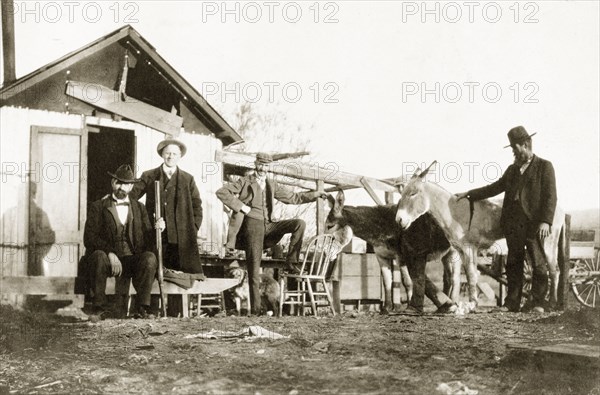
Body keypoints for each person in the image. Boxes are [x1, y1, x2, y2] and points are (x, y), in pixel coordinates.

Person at [456, 126, 557, 313]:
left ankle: (538, 303)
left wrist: (545, 221)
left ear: (525, 145)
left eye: (515, 148)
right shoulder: (512, 170)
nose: (513, 152)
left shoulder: (545, 167)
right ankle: (511, 303)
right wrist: (470, 194)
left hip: (534, 224)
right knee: (513, 264)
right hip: (513, 225)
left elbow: (551, 197)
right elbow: (494, 188)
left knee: (538, 263)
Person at [216, 152, 326, 315]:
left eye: (266, 165)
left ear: (269, 167)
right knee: (254, 268)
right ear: (255, 164)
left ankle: (291, 261)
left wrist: (315, 195)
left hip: (269, 225)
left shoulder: (271, 184)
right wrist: (241, 206)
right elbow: (222, 192)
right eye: (260, 164)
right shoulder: (245, 181)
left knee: (299, 224)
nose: (263, 168)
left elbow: (294, 197)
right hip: (252, 224)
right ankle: (255, 310)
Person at [83, 164, 158, 319]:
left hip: (131, 260)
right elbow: (89, 237)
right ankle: (98, 308)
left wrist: (158, 228)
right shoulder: (98, 206)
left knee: (149, 258)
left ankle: (142, 308)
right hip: (107, 261)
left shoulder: (140, 208)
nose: (121, 187)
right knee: (98, 256)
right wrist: (110, 252)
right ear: (112, 183)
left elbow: (148, 237)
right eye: (118, 182)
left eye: (126, 184)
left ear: (131, 187)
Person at [131, 139, 204, 275]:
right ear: (162, 154)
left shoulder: (188, 179)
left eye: (174, 154)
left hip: (180, 241)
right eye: (168, 153)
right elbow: (131, 197)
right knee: (152, 276)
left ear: (180, 156)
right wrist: (144, 220)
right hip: (156, 236)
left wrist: (191, 229)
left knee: (178, 279)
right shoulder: (149, 175)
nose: (171, 157)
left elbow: (197, 207)